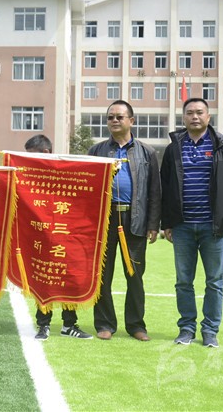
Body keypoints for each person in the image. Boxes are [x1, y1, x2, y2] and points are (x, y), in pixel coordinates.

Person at [160, 97, 223, 349]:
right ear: (184, 117)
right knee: (183, 281)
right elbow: (165, 185)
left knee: (214, 282)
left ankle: (210, 330)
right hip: (183, 226)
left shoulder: (222, 145)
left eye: (199, 112)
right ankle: (186, 328)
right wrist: (167, 222)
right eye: (190, 113)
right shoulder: (174, 148)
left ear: (208, 117)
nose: (195, 117)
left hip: (213, 227)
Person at [87, 100, 161, 342]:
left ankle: (136, 325)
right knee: (102, 275)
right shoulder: (96, 151)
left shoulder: (147, 152)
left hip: (135, 219)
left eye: (119, 116)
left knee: (135, 275)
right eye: (110, 117)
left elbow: (154, 191)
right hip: (104, 220)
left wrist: (153, 224)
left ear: (132, 120)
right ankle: (105, 323)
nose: (114, 121)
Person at [26, 134, 94, 341]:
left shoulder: (67, 169)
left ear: (46, 152)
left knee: (69, 277)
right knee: (43, 277)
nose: (30, 160)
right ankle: (43, 324)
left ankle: (69, 324)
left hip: (68, 234)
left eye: (33, 155)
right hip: (43, 233)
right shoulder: (31, 173)